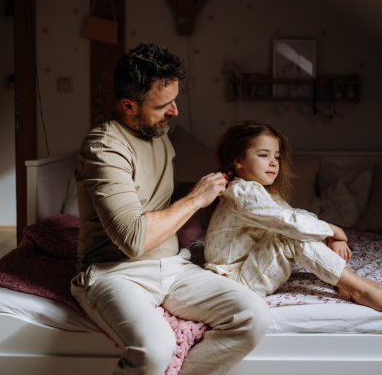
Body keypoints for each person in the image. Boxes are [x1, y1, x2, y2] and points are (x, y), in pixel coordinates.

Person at [70, 44, 270, 375]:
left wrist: (220, 195)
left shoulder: (157, 132)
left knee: (254, 316)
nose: (174, 111)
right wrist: (195, 199)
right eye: (163, 104)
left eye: (175, 100)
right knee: (155, 349)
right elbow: (134, 240)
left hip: (173, 266)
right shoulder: (104, 148)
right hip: (114, 272)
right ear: (129, 105)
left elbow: (158, 199)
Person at [204, 120, 382, 313]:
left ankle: (355, 283)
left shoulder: (256, 192)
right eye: (264, 155)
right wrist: (333, 229)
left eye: (276, 156)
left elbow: (294, 215)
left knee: (289, 231)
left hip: (243, 271)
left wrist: (328, 237)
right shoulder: (242, 192)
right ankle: (360, 290)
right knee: (289, 236)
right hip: (233, 282)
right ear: (238, 161)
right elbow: (290, 223)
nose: (274, 163)